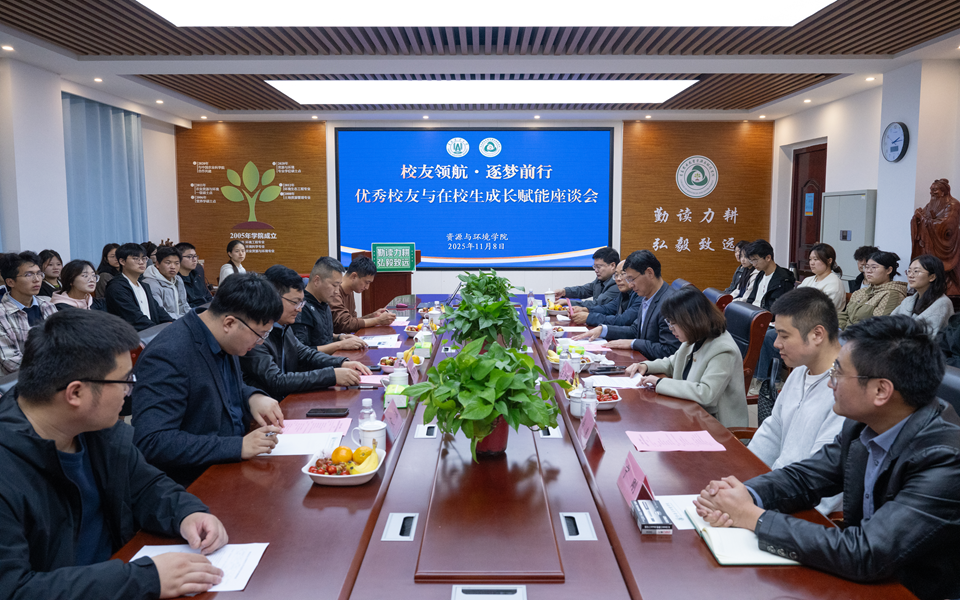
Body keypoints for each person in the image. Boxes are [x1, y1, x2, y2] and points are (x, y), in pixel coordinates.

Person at [693, 316, 960, 600]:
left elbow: (866, 551)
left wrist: (753, 517)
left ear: (881, 391)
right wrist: (743, 494)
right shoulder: (861, 425)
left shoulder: (944, 459)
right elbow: (804, 477)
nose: (830, 382)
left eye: (838, 372)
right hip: (864, 579)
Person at [0, 310, 229, 599]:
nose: (128, 391)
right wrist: (145, 579)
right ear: (75, 393)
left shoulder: (95, 431)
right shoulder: (8, 470)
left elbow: (146, 486)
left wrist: (187, 513)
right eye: (124, 380)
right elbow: (13, 590)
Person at [131, 273, 285, 485]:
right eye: (260, 335)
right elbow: (152, 441)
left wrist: (252, 396)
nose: (260, 343)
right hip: (196, 481)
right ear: (229, 323)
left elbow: (221, 387)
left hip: (232, 466)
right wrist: (237, 446)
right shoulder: (168, 354)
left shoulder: (223, 338)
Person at [746, 288, 845, 514]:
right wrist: (742, 480)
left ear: (817, 334)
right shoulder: (800, 371)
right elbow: (773, 431)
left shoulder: (846, 390)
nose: (776, 343)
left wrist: (757, 507)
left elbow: (823, 481)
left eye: (784, 335)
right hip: (774, 493)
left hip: (805, 511)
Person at [240, 266, 371, 399]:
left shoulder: (284, 326)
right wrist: (332, 375)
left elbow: (305, 353)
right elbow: (276, 381)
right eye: (295, 302)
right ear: (273, 298)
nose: (299, 309)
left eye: (301, 303)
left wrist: (341, 363)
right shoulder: (256, 334)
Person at [624, 286, 747, 427]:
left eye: (673, 323)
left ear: (691, 320)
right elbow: (672, 363)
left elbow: (706, 394)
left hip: (716, 426)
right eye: (669, 322)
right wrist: (645, 366)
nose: (671, 329)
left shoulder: (723, 349)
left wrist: (659, 383)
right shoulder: (695, 337)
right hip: (689, 413)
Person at [753, 243, 846, 388]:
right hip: (800, 321)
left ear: (829, 261)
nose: (812, 263)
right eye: (810, 259)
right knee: (764, 331)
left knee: (770, 336)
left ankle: (771, 382)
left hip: (820, 325)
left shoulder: (834, 283)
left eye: (816, 259)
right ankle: (760, 379)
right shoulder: (810, 279)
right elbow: (792, 301)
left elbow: (820, 312)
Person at [573, 250, 680, 361]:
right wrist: (603, 330)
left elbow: (670, 351)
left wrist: (634, 343)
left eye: (631, 279)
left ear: (650, 273)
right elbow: (635, 330)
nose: (630, 285)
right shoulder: (647, 297)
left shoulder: (670, 303)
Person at [292, 256, 368, 354]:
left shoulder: (323, 302)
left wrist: (339, 337)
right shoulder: (301, 309)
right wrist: (340, 345)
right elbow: (301, 353)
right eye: (334, 285)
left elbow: (319, 335)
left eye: (338, 285)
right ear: (316, 280)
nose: (337, 291)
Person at [0, 252, 58, 375]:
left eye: (39, 273)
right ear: (10, 282)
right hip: (19, 381)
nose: (37, 279)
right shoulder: (2, 314)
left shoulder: (48, 306)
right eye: (29, 275)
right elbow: (10, 362)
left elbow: (63, 343)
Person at [105, 243, 174, 332]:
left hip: (151, 333)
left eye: (144, 258)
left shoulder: (144, 286)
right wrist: (159, 331)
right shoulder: (116, 287)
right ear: (122, 261)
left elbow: (159, 311)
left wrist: (175, 325)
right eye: (135, 258)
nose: (141, 262)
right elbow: (134, 318)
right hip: (132, 337)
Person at [911, 178, 960, 295]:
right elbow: (923, 216)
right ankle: (928, 284)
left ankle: (947, 285)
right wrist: (917, 218)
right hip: (929, 243)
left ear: (943, 192)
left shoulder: (953, 204)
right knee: (927, 264)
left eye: (935, 190)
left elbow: (946, 224)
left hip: (946, 243)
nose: (931, 192)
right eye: (931, 189)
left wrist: (923, 218)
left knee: (944, 271)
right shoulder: (930, 204)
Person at [837, 250, 907, 330]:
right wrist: (838, 329)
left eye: (874, 267)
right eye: (867, 267)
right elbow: (845, 315)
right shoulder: (861, 291)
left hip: (862, 336)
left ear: (889, 270)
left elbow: (877, 327)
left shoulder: (892, 294)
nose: (868, 271)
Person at [891, 254, 953, 335]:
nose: (910, 275)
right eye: (909, 271)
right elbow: (891, 323)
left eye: (916, 271)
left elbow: (928, 335)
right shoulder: (908, 300)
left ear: (932, 277)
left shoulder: (943, 303)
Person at [331, 256, 396, 334]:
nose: (367, 287)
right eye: (366, 282)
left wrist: (372, 316)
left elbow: (353, 321)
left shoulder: (350, 290)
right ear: (354, 276)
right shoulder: (334, 292)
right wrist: (377, 321)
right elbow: (347, 324)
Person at [570, 260, 641, 327]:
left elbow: (623, 320)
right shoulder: (624, 293)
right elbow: (607, 308)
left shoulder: (640, 295)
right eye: (616, 275)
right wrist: (586, 310)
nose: (618, 279)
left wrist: (589, 317)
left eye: (623, 274)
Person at [552, 247, 620, 308]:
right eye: (595, 267)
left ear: (612, 265)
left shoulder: (617, 283)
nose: (596, 270)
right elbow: (584, 290)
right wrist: (564, 292)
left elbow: (597, 304)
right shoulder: (601, 280)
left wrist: (568, 302)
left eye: (599, 267)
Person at [738, 239, 796, 311]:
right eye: (751, 261)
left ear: (768, 258)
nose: (754, 264)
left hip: (765, 315)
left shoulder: (783, 279)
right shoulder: (760, 275)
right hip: (753, 313)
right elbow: (751, 299)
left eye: (755, 260)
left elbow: (776, 309)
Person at [143, 246, 190, 319]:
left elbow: (183, 305)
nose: (173, 267)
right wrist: (184, 319)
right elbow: (161, 314)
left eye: (176, 263)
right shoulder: (150, 284)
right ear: (157, 264)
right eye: (168, 263)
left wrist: (193, 317)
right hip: (165, 322)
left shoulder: (178, 279)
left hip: (179, 320)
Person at [175, 242, 213, 308]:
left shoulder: (197, 275)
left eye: (195, 256)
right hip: (193, 312)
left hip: (207, 310)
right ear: (178, 258)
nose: (195, 260)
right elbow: (184, 306)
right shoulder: (176, 280)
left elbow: (208, 297)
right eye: (189, 256)